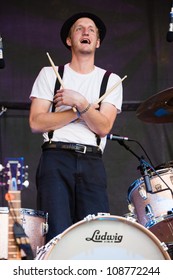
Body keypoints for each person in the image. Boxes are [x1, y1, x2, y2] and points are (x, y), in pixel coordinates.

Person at [29, 12, 123, 243]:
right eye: (79, 28)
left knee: (95, 237)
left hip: (91, 159)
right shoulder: (50, 73)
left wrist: (80, 102)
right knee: (56, 236)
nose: (86, 32)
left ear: (98, 42)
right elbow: (36, 122)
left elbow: (103, 127)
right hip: (55, 157)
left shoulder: (111, 80)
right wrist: (79, 111)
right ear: (70, 40)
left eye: (91, 30)